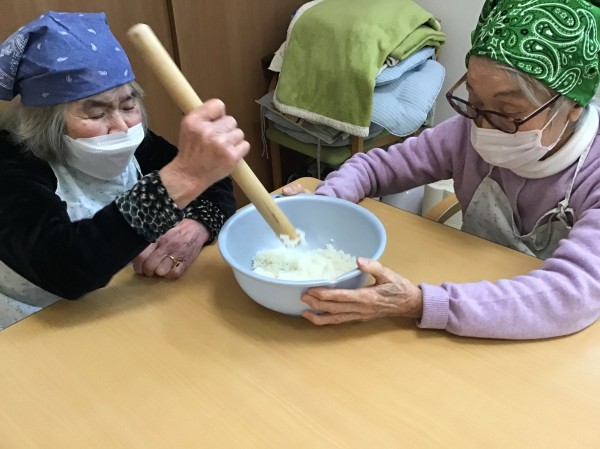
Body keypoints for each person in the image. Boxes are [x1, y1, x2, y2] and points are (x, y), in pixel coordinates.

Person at [283, 0, 600, 339]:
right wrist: (326, 202)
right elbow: (374, 168)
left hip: (558, 335)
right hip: (471, 290)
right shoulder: (465, 134)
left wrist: (421, 303)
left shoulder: (591, 172)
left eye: (507, 112)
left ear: (572, 108)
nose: (483, 126)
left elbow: (573, 293)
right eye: (474, 102)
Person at [0, 12, 249, 329]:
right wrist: (181, 178)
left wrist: (197, 225)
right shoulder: (11, 164)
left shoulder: (133, 138)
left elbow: (214, 184)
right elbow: (64, 265)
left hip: (124, 303)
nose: (121, 127)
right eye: (96, 114)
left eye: (129, 106)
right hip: (37, 325)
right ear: (46, 122)